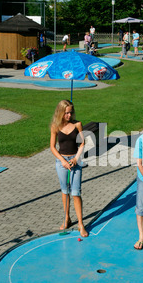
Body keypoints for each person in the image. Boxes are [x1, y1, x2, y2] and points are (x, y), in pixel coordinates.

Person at [50, 100, 88, 237]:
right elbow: (52, 147)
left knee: (76, 192)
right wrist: (62, 161)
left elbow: (83, 143)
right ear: (61, 112)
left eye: (71, 112)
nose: (69, 115)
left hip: (75, 161)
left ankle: (80, 224)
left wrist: (76, 159)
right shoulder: (55, 126)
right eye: (66, 113)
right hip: (61, 162)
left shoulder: (77, 125)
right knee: (65, 191)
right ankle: (67, 218)